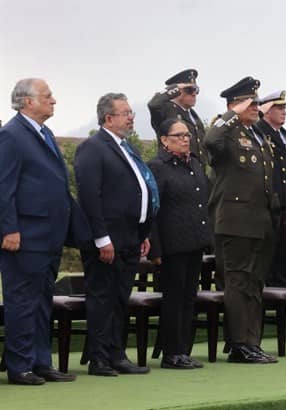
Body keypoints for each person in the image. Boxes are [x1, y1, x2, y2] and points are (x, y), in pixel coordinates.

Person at [0, 78, 89, 384]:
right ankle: (19, 366)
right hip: (24, 235)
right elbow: (4, 186)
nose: (54, 101)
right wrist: (8, 229)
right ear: (28, 101)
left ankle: (40, 361)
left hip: (49, 235)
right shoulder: (11, 135)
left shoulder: (44, 132)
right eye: (48, 96)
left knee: (42, 301)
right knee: (22, 301)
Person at [74, 93, 158, 376]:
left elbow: (138, 189)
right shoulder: (92, 148)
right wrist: (101, 237)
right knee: (102, 298)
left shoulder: (126, 148)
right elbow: (89, 197)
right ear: (108, 118)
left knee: (121, 297)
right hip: (106, 239)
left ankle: (116, 353)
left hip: (130, 237)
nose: (131, 116)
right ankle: (98, 358)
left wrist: (142, 231)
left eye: (131, 111)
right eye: (125, 112)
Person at [205, 76, 278, 364]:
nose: (256, 107)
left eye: (257, 102)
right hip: (235, 220)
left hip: (260, 221)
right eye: (251, 102)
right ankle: (239, 344)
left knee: (254, 282)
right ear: (234, 104)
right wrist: (232, 114)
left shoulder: (257, 134)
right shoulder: (227, 132)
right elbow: (211, 140)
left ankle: (252, 340)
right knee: (237, 282)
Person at [148, 118, 211, 369]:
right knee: (173, 299)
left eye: (187, 135)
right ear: (164, 140)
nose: (186, 139)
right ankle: (171, 352)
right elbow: (152, 211)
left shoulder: (194, 163)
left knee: (188, 298)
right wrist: (155, 248)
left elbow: (200, 201)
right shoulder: (157, 167)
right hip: (171, 244)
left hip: (194, 241)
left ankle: (183, 350)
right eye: (179, 135)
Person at [256, 90, 286, 287]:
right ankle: (270, 290)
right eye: (278, 108)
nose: (284, 112)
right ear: (266, 110)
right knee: (269, 252)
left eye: (284, 108)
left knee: (285, 252)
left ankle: (282, 288)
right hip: (269, 202)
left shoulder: (285, 136)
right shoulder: (260, 131)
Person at [148, 69, 208, 171]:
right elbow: (153, 104)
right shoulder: (166, 110)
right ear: (177, 92)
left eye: (196, 90)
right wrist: (175, 88)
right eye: (189, 90)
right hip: (175, 170)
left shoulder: (193, 115)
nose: (194, 94)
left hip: (196, 171)